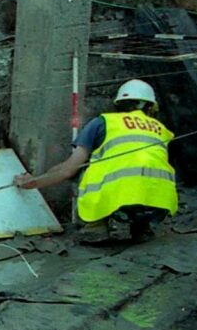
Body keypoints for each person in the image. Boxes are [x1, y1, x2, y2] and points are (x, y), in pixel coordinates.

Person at [14, 78, 178, 242]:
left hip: (120, 199)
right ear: (150, 107)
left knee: (85, 166)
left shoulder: (103, 123)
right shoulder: (162, 130)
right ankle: (142, 226)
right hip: (160, 202)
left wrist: (33, 182)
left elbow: (67, 170)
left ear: (119, 104)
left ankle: (95, 224)